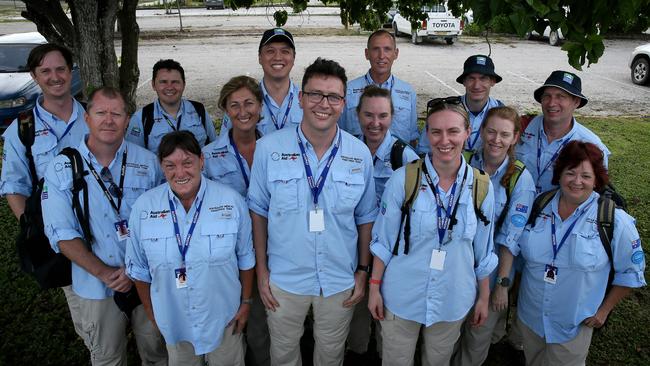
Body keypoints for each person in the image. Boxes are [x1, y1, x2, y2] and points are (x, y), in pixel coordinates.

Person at [247, 57, 378, 366]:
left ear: (344, 103)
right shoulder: (268, 148)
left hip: (338, 278)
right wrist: (263, 271)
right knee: (283, 354)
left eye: (333, 96)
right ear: (301, 98)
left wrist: (362, 271)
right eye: (316, 94)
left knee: (331, 355)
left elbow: (366, 219)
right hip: (284, 277)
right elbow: (258, 212)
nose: (324, 103)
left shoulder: (359, 154)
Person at [41, 87, 167, 365]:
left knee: (157, 353)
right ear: (87, 118)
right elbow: (61, 234)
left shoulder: (148, 162)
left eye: (116, 113)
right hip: (95, 285)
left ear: (126, 119)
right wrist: (107, 273)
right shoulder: (62, 167)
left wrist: (134, 271)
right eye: (101, 113)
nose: (108, 120)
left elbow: (165, 223)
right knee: (108, 358)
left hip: (147, 279)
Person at [368, 98, 497, 365]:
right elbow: (383, 241)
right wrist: (374, 288)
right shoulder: (403, 179)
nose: (444, 140)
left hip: (452, 298)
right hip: (402, 296)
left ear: (467, 133)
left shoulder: (482, 186)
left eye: (453, 131)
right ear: (427, 134)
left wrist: (484, 297)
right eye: (436, 131)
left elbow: (483, 251)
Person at [503, 141, 645, 366]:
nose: (577, 182)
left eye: (586, 176)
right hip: (531, 318)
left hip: (574, 324)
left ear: (597, 180)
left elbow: (631, 272)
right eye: (570, 173)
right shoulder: (537, 207)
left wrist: (603, 311)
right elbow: (517, 253)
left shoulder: (614, 221)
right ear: (559, 174)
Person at [125, 130, 255, 365]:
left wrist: (246, 302)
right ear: (161, 167)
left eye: (187, 162)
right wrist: (153, 314)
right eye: (170, 165)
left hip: (224, 320)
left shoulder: (231, 201)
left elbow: (246, 257)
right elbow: (138, 269)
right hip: (174, 321)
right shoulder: (144, 207)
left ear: (201, 161)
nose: (180, 172)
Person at [0, 43, 88, 339]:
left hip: (106, 230)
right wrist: (36, 228)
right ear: (35, 76)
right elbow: (15, 186)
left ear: (71, 70)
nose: (55, 77)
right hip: (62, 239)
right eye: (45, 71)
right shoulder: (21, 130)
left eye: (60, 69)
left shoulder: (95, 117)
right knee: (84, 312)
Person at [451, 106, 536, 366]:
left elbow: (510, 238)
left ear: (515, 138)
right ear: (482, 131)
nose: (496, 140)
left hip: (494, 268)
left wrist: (502, 285)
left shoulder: (520, 178)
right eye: (491, 131)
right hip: (458, 262)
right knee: (450, 329)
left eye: (504, 134)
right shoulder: (462, 160)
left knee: (478, 334)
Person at [345, 85, 419, 362]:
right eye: (368, 115)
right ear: (357, 115)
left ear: (393, 115)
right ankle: (358, 352)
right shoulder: (345, 149)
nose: (375, 123)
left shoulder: (406, 157)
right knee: (355, 308)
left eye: (383, 116)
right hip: (353, 245)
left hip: (391, 251)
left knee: (388, 312)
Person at [515, 70, 610, 193]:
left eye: (560, 97)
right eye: (547, 96)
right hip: (514, 206)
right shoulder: (521, 127)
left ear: (576, 102)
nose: (552, 103)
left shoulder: (592, 145)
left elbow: (595, 191)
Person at [339, 30, 418, 145]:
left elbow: (412, 138)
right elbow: (339, 133)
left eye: (387, 49)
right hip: (358, 160)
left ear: (396, 53)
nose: (381, 56)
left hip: (398, 161)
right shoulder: (348, 91)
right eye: (376, 49)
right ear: (367, 54)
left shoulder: (408, 92)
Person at [220, 28, 303, 136]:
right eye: (270, 51)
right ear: (259, 57)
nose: (278, 57)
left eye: (285, 51)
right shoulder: (240, 100)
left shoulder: (306, 100)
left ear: (294, 57)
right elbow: (225, 144)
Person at [417, 55, 503, 155]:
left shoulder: (501, 113)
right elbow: (423, 150)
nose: (476, 85)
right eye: (471, 78)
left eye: (483, 79)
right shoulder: (445, 110)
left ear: (492, 82)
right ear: (464, 81)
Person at [126, 59, 217, 152]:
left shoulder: (199, 110)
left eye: (175, 82)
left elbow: (214, 146)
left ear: (184, 84)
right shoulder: (141, 118)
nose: (169, 87)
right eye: (163, 82)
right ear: (153, 85)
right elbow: (134, 157)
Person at [203, 75, 262, 197]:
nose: (242, 112)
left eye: (249, 103)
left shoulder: (276, 150)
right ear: (226, 110)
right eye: (234, 105)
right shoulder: (207, 157)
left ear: (260, 106)